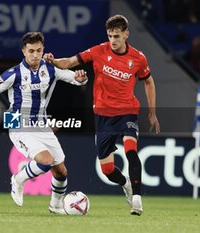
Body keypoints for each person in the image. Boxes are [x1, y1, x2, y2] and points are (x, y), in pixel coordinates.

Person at [44, 15, 160, 216]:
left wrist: (152, 112)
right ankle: (126, 184)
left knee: (131, 149)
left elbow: (148, 81)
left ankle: (137, 200)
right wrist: (54, 61)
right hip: (103, 116)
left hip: (127, 112)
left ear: (126, 34)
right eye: (109, 36)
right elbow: (70, 62)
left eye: (116, 36)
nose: (113, 40)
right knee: (107, 170)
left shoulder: (138, 58)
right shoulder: (98, 51)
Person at [0, 32, 87, 214]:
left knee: (61, 171)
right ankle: (18, 179)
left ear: (43, 50)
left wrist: (81, 78)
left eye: (39, 50)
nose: (35, 55)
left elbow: (75, 79)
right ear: (24, 51)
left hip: (41, 123)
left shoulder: (50, 69)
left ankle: (55, 207)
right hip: (17, 123)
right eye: (31, 51)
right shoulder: (14, 73)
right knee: (46, 161)